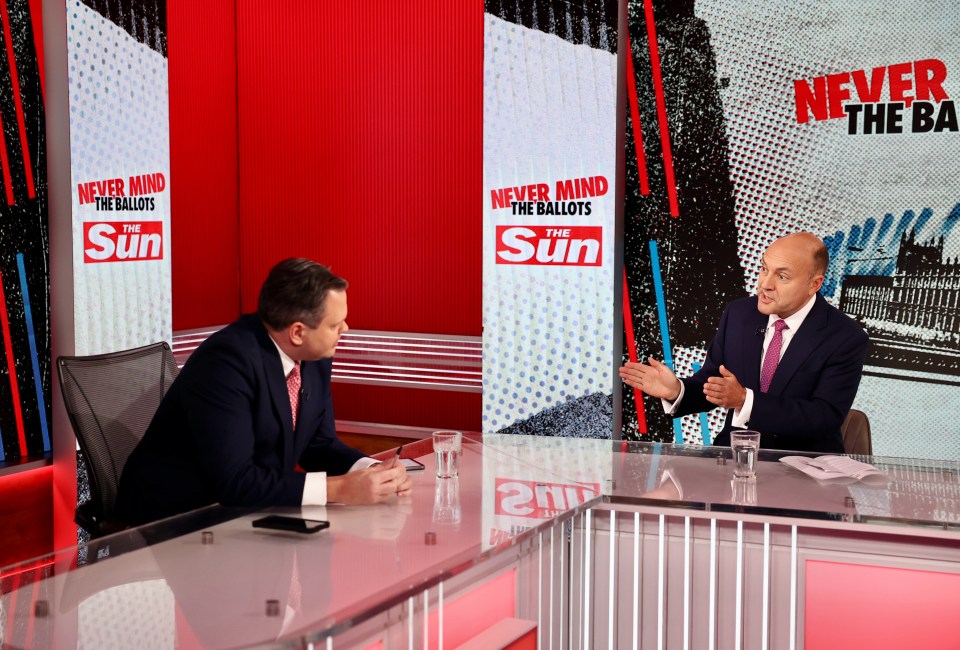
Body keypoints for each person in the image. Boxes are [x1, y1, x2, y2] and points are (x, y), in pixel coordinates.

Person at [116, 258, 411, 525]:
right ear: (297, 332)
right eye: (335, 324)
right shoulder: (226, 362)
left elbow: (318, 446)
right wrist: (339, 488)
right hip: (171, 523)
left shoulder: (314, 356)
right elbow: (235, 481)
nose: (345, 328)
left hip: (243, 515)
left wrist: (375, 471)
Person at [619, 232, 869, 453]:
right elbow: (713, 385)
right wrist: (677, 390)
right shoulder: (739, 314)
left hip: (803, 469)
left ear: (814, 284)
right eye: (763, 269)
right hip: (732, 459)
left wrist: (744, 401)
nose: (765, 284)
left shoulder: (845, 338)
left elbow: (823, 417)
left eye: (782, 277)